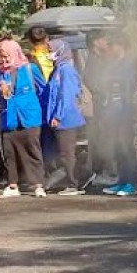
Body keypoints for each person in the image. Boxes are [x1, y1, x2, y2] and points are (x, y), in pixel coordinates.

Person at [0, 39, 47, 198]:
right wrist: (0, 92)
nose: (3, 60)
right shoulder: (1, 72)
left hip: (29, 116)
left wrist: (38, 108)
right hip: (10, 117)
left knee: (33, 150)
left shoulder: (30, 69)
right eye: (1, 56)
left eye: (6, 56)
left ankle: (38, 184)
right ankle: (12, 185)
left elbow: (43, 89)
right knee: (10, 152)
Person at [45, 40, 89, 195]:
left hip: (67, 119)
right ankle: (71, 182)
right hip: (61, 119)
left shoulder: (66, 70)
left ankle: (73, 184)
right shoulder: (58, 69)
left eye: (50, 49)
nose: (48, 52)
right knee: (64, 153)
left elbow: (67, 96)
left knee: (67, 153)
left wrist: (58, 115)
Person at [99, 34, 137, 196]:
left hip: (126, 110)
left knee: (126, 147)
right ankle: (121, 180)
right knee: (116, 147)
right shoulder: (113, 64)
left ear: (120, 46)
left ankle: (131, 183)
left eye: (112, 45)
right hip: (112, 110)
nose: (110, 49)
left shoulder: (130, 64)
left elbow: (131, 87)